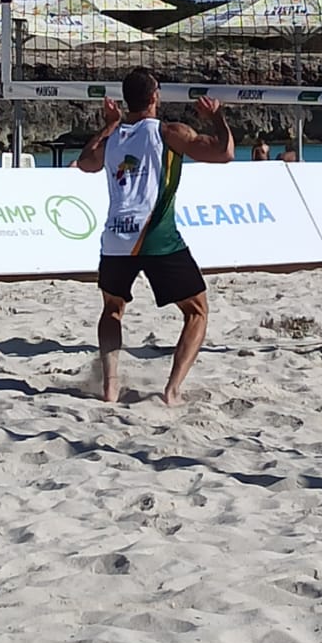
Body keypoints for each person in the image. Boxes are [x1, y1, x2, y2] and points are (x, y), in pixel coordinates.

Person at [76, 68, 233, 406]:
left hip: (116, 237)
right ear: (154, 98)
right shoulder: (167, 132)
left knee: (112, 310)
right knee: (197, 311)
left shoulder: (114, 137)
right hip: (155, 235)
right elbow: (224, 153)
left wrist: (109, 124)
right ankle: (172, 390)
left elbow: (85, 162)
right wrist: (217, 118)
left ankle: (110, 389)